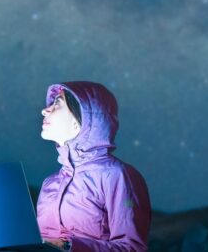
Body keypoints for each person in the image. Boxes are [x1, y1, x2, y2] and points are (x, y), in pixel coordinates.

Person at [35, 82, 151, 252]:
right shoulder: (49, 183)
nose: (44, 110)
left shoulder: (117, 176)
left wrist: (68, 246)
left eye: (57, 103)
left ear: (82, 119)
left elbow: (132, 248)